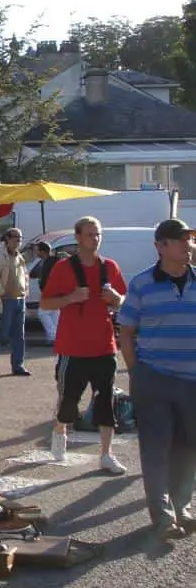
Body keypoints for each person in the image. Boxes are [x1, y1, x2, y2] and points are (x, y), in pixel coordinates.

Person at [118, 220, 196, 539]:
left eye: (190, 241)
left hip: (192, 381)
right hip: (154, 378)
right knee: (155, 448)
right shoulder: (141, 284)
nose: (189, 246)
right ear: (161, 246)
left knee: (188, 448)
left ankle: (182, 507)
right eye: (182, 241)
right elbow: (125, 331)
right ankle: (162, 517)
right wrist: (136, 371)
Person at [41, 216, 128, 475]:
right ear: (78, 237)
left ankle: (106, 454)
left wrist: (116, 298)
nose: (95, 238)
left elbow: (123, 299)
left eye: (98, 234)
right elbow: (45, 303)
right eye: (90, 234)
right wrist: (70, 298)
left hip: (104, 346)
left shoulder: (110, 267)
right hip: (73, 348)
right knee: (68, 401)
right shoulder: (63, 268)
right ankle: (60, 431)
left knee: (105, 401)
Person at [0, 227, 31, 376]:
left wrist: (25, 291)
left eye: (20, 238)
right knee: (1, 333)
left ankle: (18, 365)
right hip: (5, 300)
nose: (18, 241)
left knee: (19, 334)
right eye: (15, 238)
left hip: (20, 299)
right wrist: (1, 292)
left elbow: (25, 275)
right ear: (7, 239)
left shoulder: (19, 257)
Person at [29, 241, 64, 344]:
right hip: (52, 292)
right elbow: (33, 274)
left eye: (37, 250)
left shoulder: (52, 262)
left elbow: (49, 277)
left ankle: (52, 336)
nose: (36, 253)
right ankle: (57, 336)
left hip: (51, 292)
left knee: (42, 313)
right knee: (54, 314)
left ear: (43, 251)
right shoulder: (45, 261)